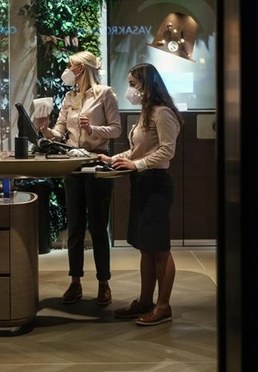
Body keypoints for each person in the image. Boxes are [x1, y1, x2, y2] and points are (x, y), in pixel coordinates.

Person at [99, 63, 183, 326]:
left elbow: (167, 151)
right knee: (146, 249)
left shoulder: (163, 113)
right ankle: (145, 302)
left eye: (133, 84)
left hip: (156, 184)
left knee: (159, 249)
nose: (130, 90)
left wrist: (138, 165)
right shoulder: (145, 113)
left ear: (148, 85)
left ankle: (163, 306)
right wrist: (113, 158)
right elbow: (137, 150)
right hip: (142, 183)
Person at [35, 51, 122, 305]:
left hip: (96, 163)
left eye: (71, 66)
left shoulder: (104, 93)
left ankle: (104, 283)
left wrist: (92, 129)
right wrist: (44, 128)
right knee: (74, 227)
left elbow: (116, 129)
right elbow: (60, 133)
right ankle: (75, 282)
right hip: (72, 164)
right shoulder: (69, 97)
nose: (67, 70)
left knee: (97, 226)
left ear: (82, 69)